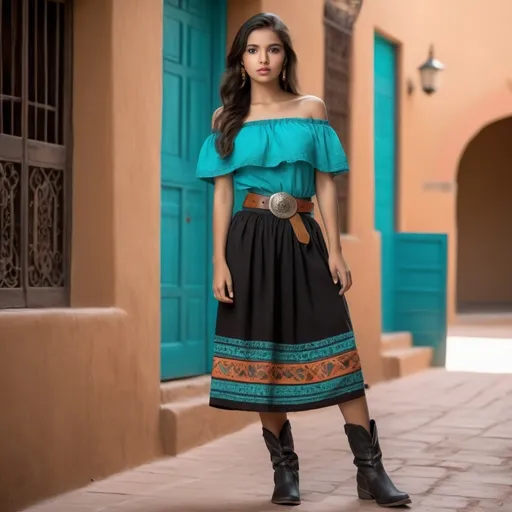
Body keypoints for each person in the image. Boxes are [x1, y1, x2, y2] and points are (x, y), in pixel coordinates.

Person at [196, 12, 411, 509]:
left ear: (285, 56)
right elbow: (223, 196)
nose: (262, 59)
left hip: (302, 237)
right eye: (252, 50)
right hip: (247, 242)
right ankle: (284, 473)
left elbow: (327, 183)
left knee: (340, 350)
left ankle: (371, 472)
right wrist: (218, 263)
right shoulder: (226, 119)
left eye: (272, 49)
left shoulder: (310, 108)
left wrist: (335, 250)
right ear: (241, 60)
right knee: (262, 355)